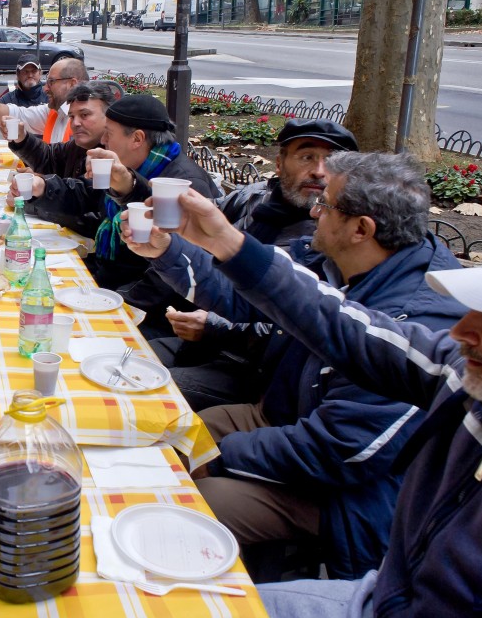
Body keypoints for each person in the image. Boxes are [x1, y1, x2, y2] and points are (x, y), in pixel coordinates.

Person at [129, 189, 482, 618]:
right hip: (382, 605)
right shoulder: (472, 378)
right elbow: (341, 326)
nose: (461, 331)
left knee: (188, 532)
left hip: (359, 532)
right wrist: (229, 246)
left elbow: (341, 448)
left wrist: (216, 454)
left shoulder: (448, 341)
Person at [126, 151, 467, 582]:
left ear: (362, 229)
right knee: (165, 429)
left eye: (326, 205)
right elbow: (248, 297)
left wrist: (215, 455)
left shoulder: (415, 316)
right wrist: (170, 250)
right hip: (284, 413)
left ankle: (198, 601)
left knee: (190, 498)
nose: (314, 211)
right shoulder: (336, 259)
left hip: (347, 493)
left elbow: (341, 450)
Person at [151, 118, 359, 410]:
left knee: (150, 396)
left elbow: (295, 325)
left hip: (255, 370)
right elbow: (193, 231)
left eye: (333, 162)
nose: (319, 171)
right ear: (279, 164)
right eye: (307, 157)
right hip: (203, 340)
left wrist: (214, 327)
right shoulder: (255, 198)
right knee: (128, 358)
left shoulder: (331, 235)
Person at [14, 94, 218, 296]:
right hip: (108, 273)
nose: (102, 141)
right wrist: (42, 187)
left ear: (137, 139)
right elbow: (86, 193)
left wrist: (118, 300)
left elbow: (176, 274)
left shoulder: (184, 185)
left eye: (108, 134)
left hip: (140, 297)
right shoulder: (129, 166)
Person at [6, 80, 114, 180]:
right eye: (71, 117)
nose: (75, 123)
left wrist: (43, 186)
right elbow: (49, 157)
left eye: (84, 115)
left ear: (108, 117)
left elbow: (81, 193)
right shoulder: (76, 147)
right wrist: (21, 137)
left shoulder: (115, 155)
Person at [0, 56, 86, 143]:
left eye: (52, 82)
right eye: (25, 71)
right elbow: (17, 113)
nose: (46, 88)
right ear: (18, 74)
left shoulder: (90, 124)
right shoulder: (54, 111)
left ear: (72, 84)